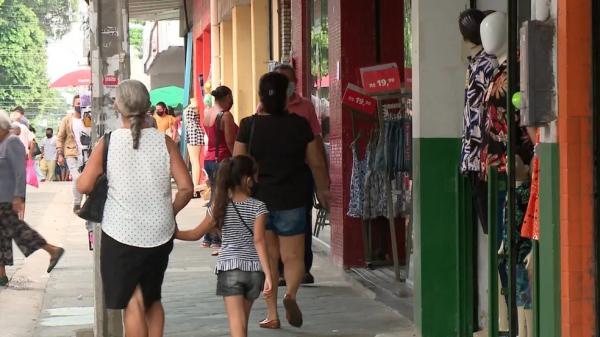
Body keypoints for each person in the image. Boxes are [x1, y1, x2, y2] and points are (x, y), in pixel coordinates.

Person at [77, 80, 193, 337]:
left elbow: (84, 185)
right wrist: (169, 213)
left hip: (121, 235)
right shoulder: (165, 142)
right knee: (153, 298)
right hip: (160, 234)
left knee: (133, 301)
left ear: (118, 106)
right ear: (148, 106)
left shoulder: (108, 143)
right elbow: (186, 188)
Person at [234, 72, 330, 329]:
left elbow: (237, 165)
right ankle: (291, 295)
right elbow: (317, 162)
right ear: (287, 95)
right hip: (293, 199)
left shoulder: (248, 125)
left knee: (269, 259)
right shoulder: (300, 125)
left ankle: (272, 314)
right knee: (293, 257)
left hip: (259, 202)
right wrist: (323, 190)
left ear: (260, 96)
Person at [176, 155, 273, 337]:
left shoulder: (219, 207)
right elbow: (259, 241)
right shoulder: (259, 207)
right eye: (254, 176)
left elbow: (195, 234)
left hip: (229, 269)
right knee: (242, 323)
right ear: (247, 179)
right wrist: (268, 275)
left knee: (237, 325)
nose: (256, 180)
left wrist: (174, 233)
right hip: (254, 271)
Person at [273, 63, 326, 285]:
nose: (288, 85)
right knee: (276, 223)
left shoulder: (305, 107)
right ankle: (280, 270)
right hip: (274, 173)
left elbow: (316, 138)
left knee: (302, 220)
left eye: (291, 80)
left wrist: (323, 179)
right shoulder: (265, 107)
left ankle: (303, 268)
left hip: (301, 171)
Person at [0, 110, 65, 287]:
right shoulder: (2, 143)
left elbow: (20, 171)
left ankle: (53, 250)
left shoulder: (11, 142)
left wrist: (19, 196)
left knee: (19, 231)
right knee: (4, 235)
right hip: (2, 197)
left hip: (7, 197)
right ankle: (2, 273)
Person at [203, 86, 239, 249]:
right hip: (222, 160)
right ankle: (217, 237)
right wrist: (238, 161)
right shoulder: (226, 116)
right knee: (221, 199)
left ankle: (208, 236)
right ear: (226, 97)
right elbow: (230, 142)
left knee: (214, 198)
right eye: (231, 97)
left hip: (209, 159)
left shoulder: (207, 112)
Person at [56, 95, 91, 214]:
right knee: (77, 178)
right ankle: (77, 203)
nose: (79, 105)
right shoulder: (67, 120)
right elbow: (60, 137)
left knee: (88, 179)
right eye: (77, 103)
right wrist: (60, 154)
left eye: (81, 103)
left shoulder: (88, 118)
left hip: (87, 154)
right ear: (73, 105)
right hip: (71, 153)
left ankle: (87, 203)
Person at [183, 98, 206, 194]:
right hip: (191, 132)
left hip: (194, 132)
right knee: (193, 160)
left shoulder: (194, 105)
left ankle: (195, 185)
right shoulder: (192, 105)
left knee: (195, 160)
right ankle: (194, 184)